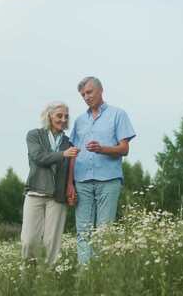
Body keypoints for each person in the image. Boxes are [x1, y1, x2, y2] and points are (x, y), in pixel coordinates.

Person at [68, 76, 136, 264]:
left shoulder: (118, 114)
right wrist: (70, 184)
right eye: (83, 95)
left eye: (89, 92)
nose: (86, 97)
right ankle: (86, 279)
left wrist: (102, 149)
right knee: (83, 232)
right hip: (82, 181)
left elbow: (124, 149)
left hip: (108, 180)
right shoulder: (79, 121)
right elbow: (73, 153)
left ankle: (100, 278)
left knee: (104, 232)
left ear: (100, 90)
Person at [21, 101, 79, 265]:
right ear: (49, 116)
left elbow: (71, 170)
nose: (63, 119)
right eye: (59, 115)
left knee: (52, 244)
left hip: (57, 197)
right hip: (35, 192)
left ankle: (48, 279)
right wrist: (63, 154)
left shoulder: (69, 142)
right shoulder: (34, 135)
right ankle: (28, 277)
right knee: (28, 240)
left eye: (66, 116)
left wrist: (71, 187)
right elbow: (39, 157)